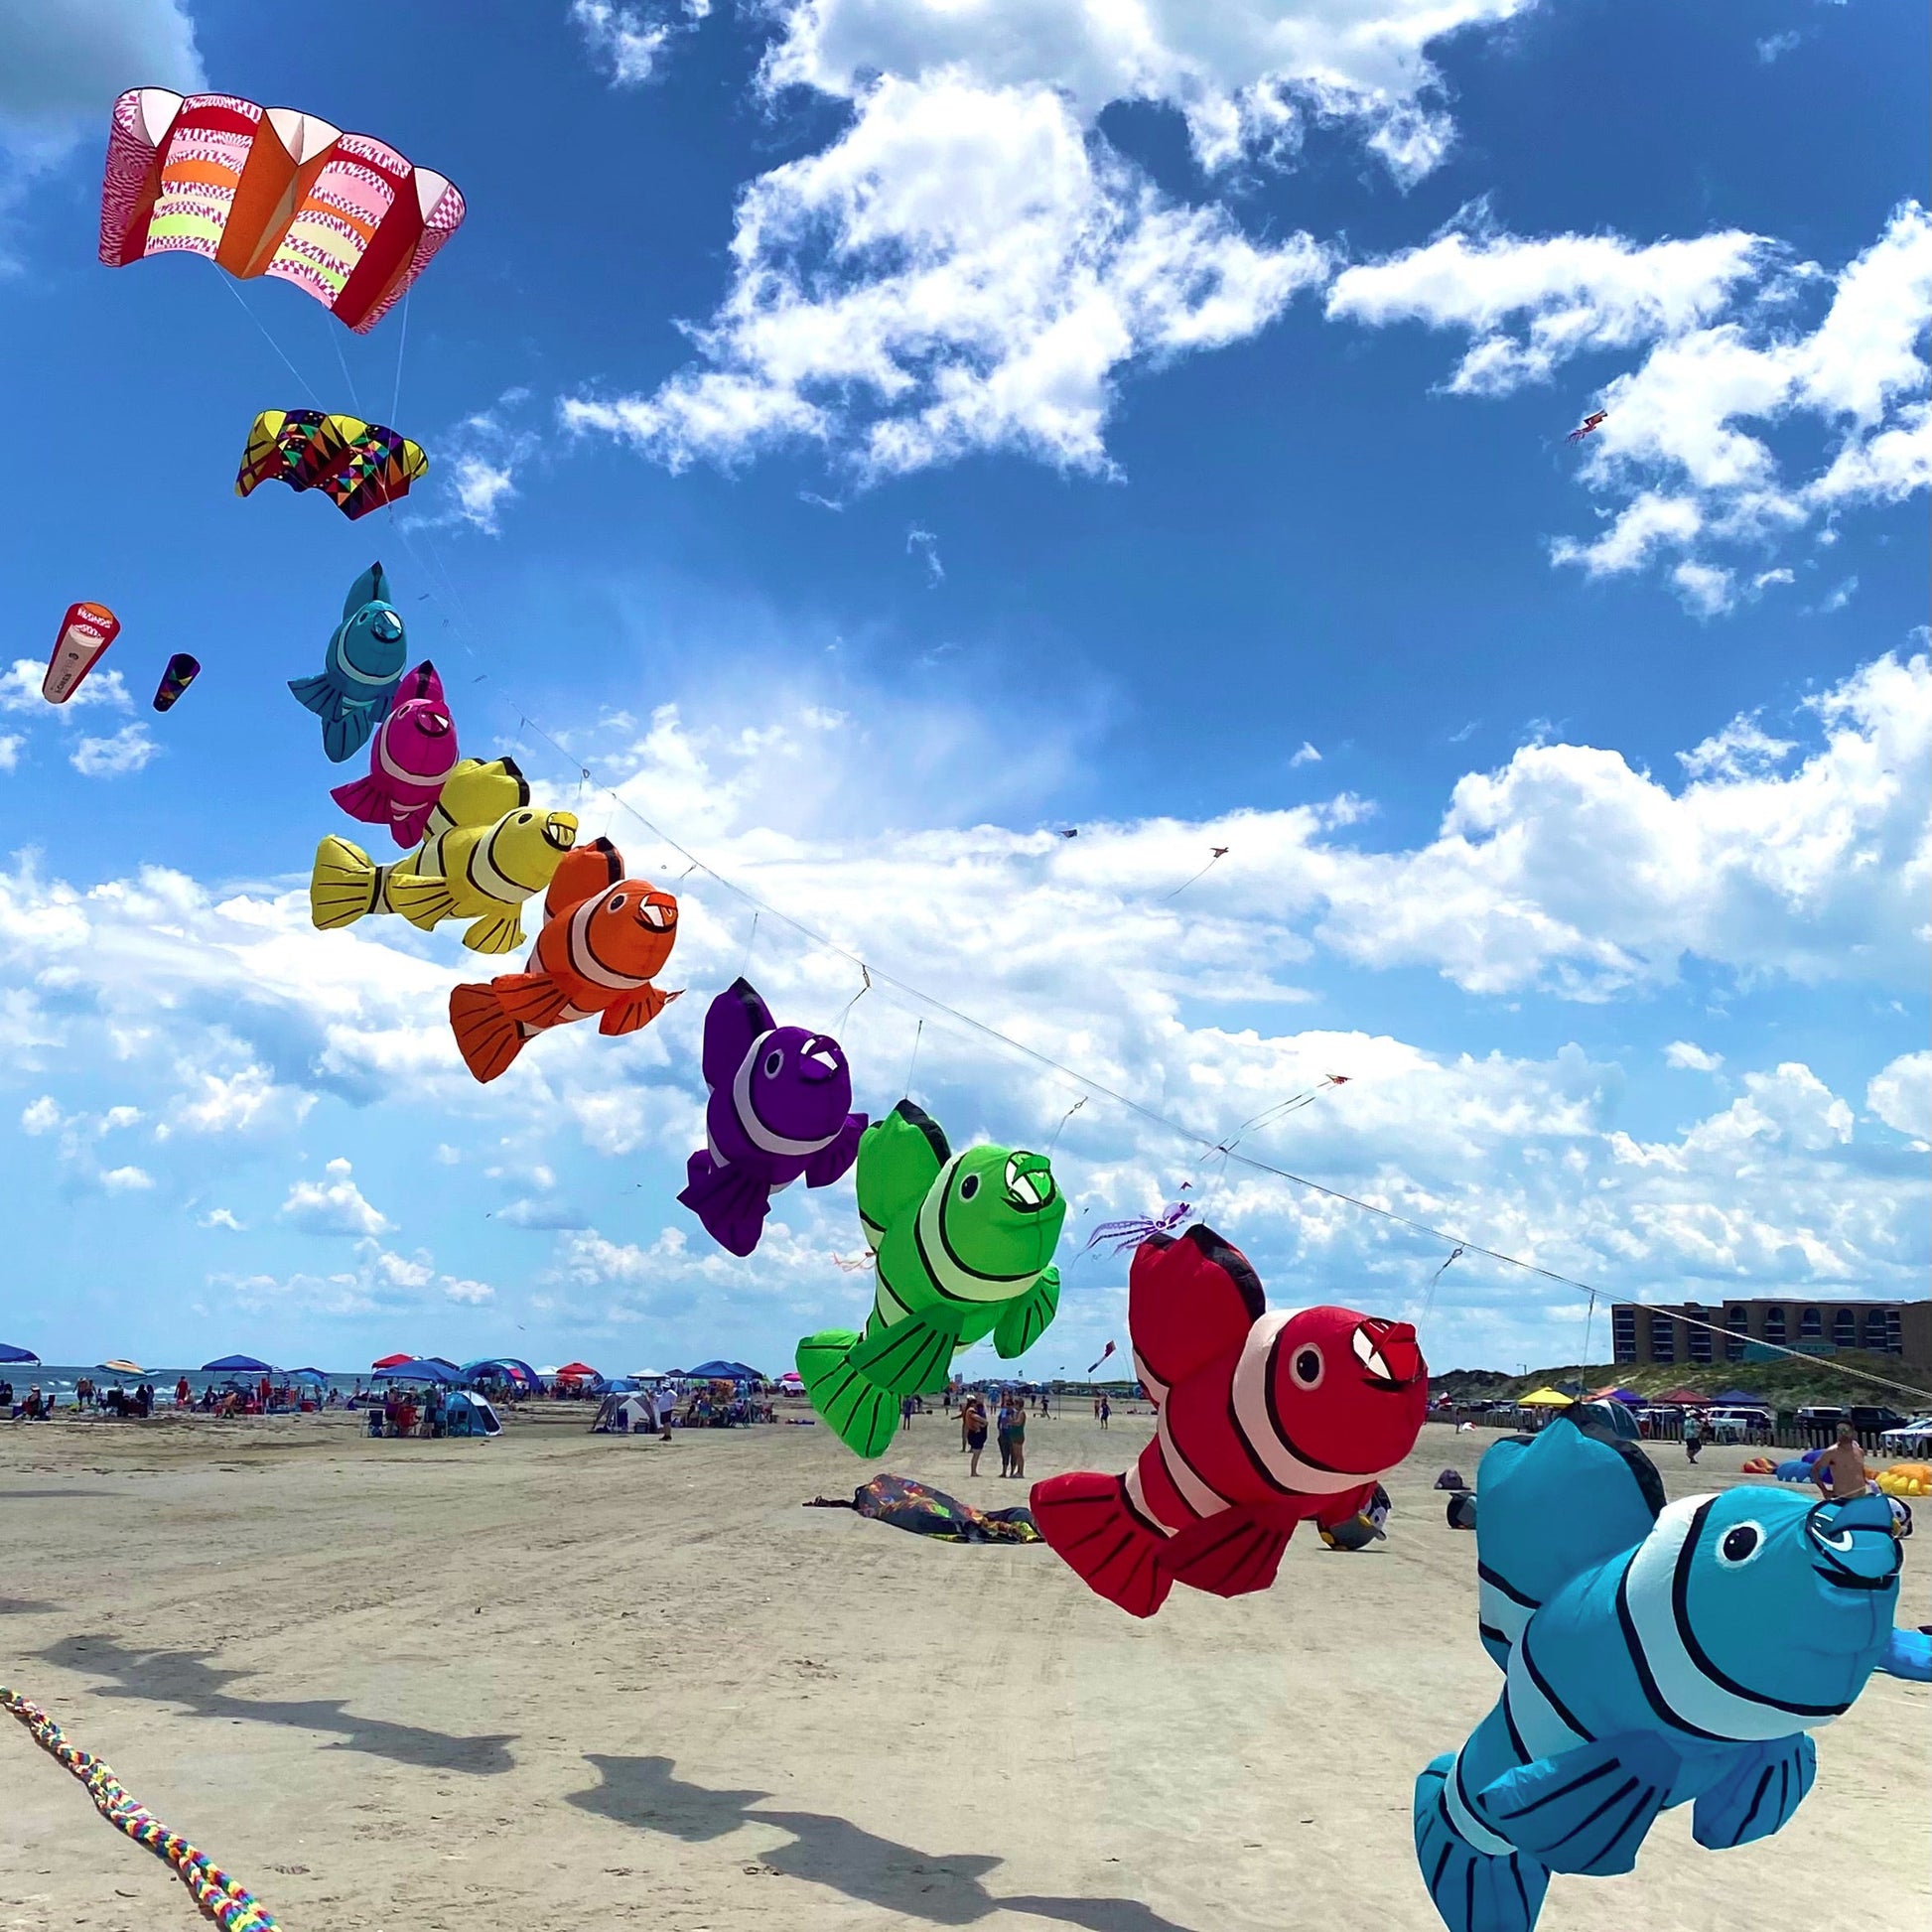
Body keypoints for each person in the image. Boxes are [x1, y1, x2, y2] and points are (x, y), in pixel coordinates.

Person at [1815, 1421, 1872, 1498]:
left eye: (1845, 1430)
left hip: (1860, 1496)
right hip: (1842, 1497)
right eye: (1839, 1430)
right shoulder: (1832, 1452)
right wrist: (1824, 1491)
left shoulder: (1859, 1451)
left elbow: (1859, 1470)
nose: (1842, 1434)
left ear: (1852, 1432)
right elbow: (1815, 1470)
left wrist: (1868, 1482)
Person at [964, 1396, 988, 1476]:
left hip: (974, 1433)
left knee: (976, 1454)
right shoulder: (971, 1410)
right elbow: (975, 1417)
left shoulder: (969, 1410)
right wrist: (984, 1421)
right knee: (976, 1454)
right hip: (975, 1434)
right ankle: (973, 1472)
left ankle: (974, 1471)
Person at [1008, 1396, 1028, 1479]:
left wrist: (1010, 1422)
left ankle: (1020, 1472)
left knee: (1019, 1455)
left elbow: (1018, 1423)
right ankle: (1018, 1471)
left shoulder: (1021, 1413)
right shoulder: (1017, 1412)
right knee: (1016, 1455)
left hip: (1018, 1435)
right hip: (1015, 1435)